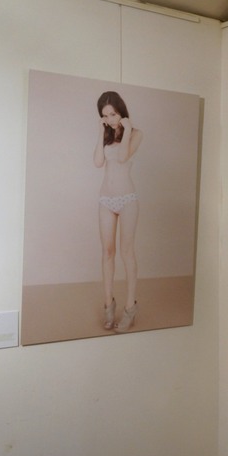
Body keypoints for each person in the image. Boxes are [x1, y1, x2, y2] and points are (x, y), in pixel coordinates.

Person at [94, 91, 143, 333]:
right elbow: (97, 162)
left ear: (121, 112)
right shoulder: (106, 134)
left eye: (113, 114)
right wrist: (100, 132)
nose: (110, 119)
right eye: (105, 116)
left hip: (127, 200)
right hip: (106, 199)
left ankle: (130, 308)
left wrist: (127, 126)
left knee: (126, 252)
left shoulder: (136, 134)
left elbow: (123, 157)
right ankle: (108, 305)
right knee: (107, 252)